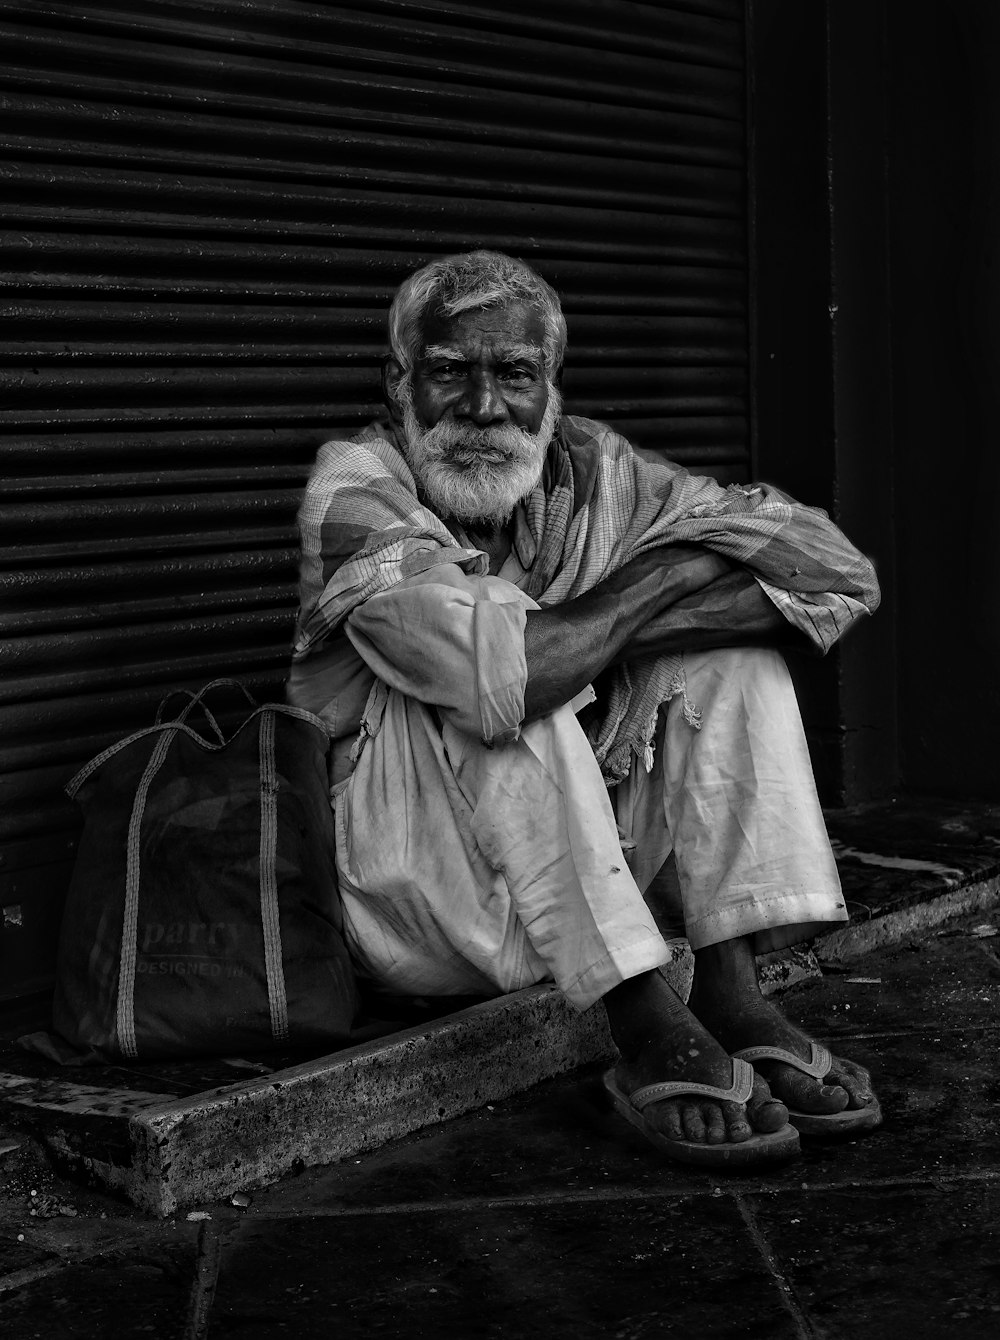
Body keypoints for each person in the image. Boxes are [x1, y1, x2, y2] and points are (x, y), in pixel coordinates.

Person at [288, 250, 882, 1167]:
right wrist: (677, 568)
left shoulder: (595, 473)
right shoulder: (355, 486)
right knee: (498, 669)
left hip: (570, 887)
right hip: (413, 903)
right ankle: (642, 1016)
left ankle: (730, 984)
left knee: (726, 655)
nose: (484, 409)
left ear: (550, 390)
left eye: (515, 376)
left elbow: (837, 574)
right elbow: (505, 680)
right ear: (399, 381)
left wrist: (638, 592)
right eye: (449, 372)